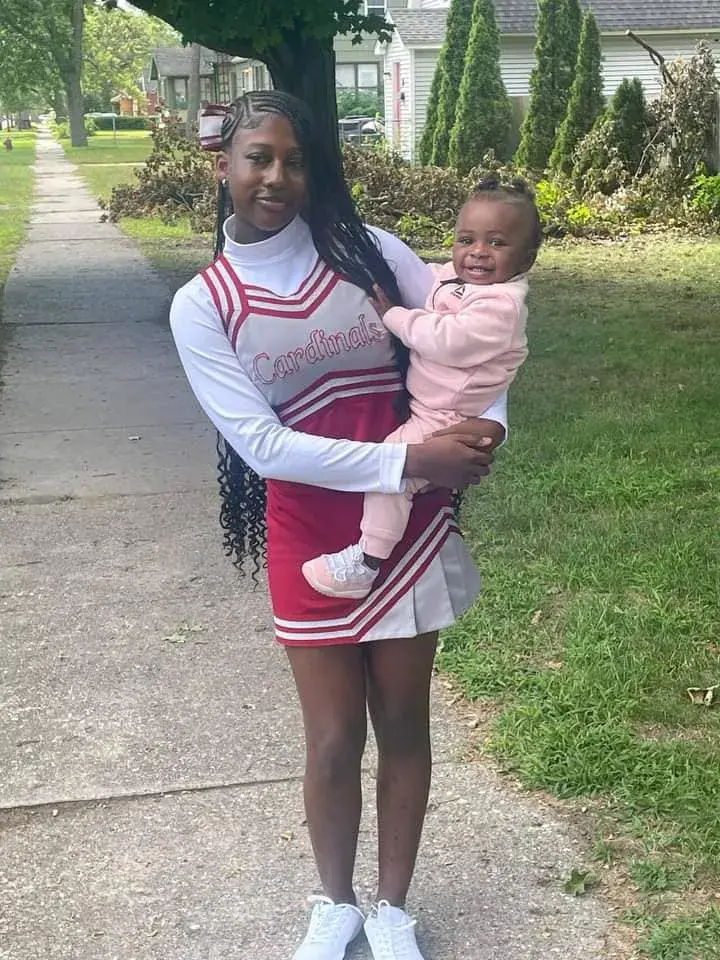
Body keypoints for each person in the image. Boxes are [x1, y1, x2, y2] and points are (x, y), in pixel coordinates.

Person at [170, 91, 509, 960]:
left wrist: (487, 428)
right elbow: (261, 446)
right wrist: (410, 462)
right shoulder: (204, 303)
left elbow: (478, 338)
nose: (276, 177)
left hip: (407, 527)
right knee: (330, 740)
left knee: (404, 724)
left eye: (295, 160)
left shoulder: (368, 251)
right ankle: (336, 904)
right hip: (311, 533)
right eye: (258, 158)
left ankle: (392, 909)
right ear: (224, 165)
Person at [302, 178, 541, 600]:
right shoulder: (462, 279)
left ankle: (367, 560)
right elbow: (431, 281)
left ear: (526, 257)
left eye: (496, 243)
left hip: (449, 416)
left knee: (393, 469)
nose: (478, 252)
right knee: (396, 468)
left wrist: (395, 316)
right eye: (466, 239)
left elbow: (447, 340)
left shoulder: (500, 306)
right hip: (432, 403)